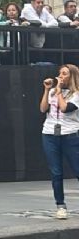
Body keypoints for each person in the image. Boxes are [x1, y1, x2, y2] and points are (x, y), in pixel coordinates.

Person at [39, 65, 79, 220]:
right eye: (59, 73)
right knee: (56, 172)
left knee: (77, 169)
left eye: (64, 73)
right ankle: (60, 205)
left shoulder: (76, 94)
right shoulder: (52, 91)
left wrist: (60, 91)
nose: (60, 76)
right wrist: (47, 89)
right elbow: (43, 109)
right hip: (49, 133)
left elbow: (64, 108)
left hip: (69, 135)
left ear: (72, 76)